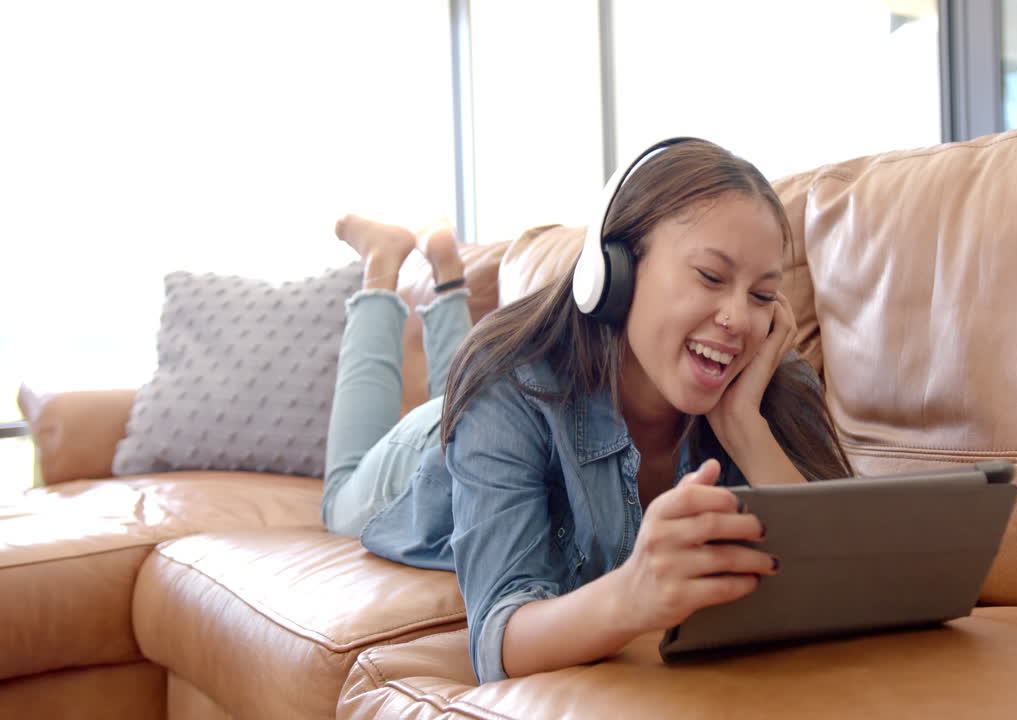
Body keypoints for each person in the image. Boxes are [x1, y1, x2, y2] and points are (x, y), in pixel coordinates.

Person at [322, 138, 853, 684]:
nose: (739, 320)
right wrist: (633, 594)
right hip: (426, 449)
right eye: (711, 278)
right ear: (616, 271)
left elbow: (847, 582)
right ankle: (380, 267)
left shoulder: (768, 385)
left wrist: (745, 426)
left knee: (470, 374)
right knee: (340, 496)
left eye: (763, 296)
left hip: (486, 397)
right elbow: (497, 645)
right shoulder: (508, 386)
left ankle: (448, 275)